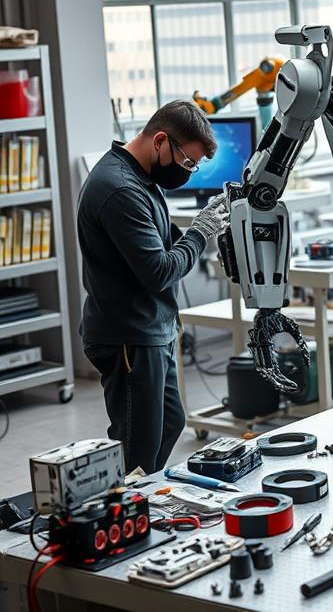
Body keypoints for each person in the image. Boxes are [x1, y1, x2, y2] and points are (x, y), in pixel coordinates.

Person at [78, 100, 229, 473]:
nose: (188, 173)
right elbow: (159, 270)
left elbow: (158, 239)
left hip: (150, 328)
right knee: (137, 449)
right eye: (187, 162)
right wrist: (200, 233)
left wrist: (202, 224)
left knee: (170, 423)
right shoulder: (119, 189)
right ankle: (126, 517)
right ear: (160, 140)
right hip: (128, 335)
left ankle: (141, 504)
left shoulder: (140, 177)